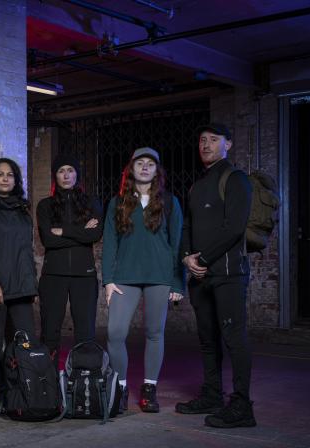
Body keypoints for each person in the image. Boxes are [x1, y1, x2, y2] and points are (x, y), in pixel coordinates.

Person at [176, 123, 256, 428]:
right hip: (200, 277)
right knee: (208, 339)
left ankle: (242, 406)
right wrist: (187, 256)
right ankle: (212, 395)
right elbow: (187, 225)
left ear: (228, 144)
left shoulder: (235, 179)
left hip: (228, 275)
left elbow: (234, 228)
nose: (206, 144)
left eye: (213, 139)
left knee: (234, 338)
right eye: (202, 140)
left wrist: (204, 259)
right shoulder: (197, 186)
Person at [102, 147, 184, 413]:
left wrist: (178, 282)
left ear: (157, 170)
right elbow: (110, 243)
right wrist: (108, 280)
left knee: (154, 333)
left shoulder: (169, 202)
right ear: (131, 169)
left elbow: (177, 244)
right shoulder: (117, 203)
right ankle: (121, 388)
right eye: (140, 163)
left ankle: (149, 389)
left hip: (160, 276)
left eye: (150, 163)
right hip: (124, 277)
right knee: (115, 333)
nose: (145, 167)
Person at [0, 158, 38, 416]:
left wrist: (31, 285)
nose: (5, 179)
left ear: (16, 180)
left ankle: (26, 394)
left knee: (27, 342)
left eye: (10, 175)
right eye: (0, 174)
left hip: (21, 286)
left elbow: (26, 251)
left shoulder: (23, 209)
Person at [35, 153, 103, 367]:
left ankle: (82, 381)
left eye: (70, 170)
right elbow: (48, 240)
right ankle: (50, 383)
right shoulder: (45, 206)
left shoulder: (91, 203)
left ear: (77, 175)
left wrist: (62, 231)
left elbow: (94, 235)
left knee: (85, 333)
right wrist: (81, 231)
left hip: (84, 276)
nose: (66, 175)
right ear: (55, 176)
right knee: (50, 332)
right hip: (53, 275)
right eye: (61, 171)